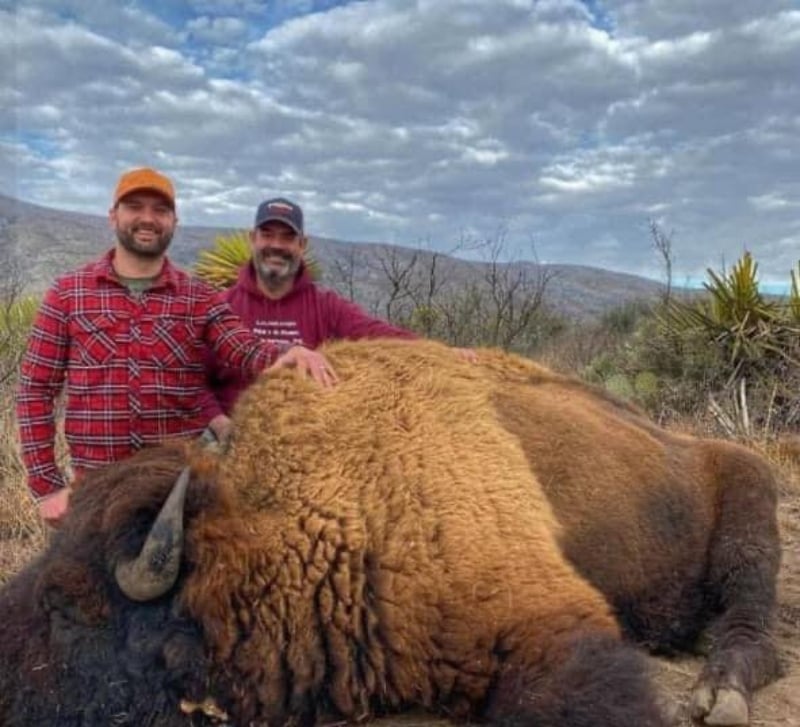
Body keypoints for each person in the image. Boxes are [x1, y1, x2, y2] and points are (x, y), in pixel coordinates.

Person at [16, 168, 335, 526]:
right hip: (95, 491)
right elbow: (36, 390)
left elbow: (244, 350)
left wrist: (289, 353)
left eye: (160, 210)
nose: (148, 218)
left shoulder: (198, 297)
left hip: (176, 494)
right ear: (113, 216)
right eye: (135, 206)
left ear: (174, 222)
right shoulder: (68, 294)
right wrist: (46, 486)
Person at [203, 196, 448, 438]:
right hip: (233, 441)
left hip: (310, 443)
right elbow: (193, 382)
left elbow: (379, 334)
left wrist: (441, 354)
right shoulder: (221, 306)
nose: (276, 245)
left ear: (302, 244)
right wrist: (223, 426)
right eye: (267, 234)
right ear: (253, 239)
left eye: (288, 237)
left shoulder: (326, 306)